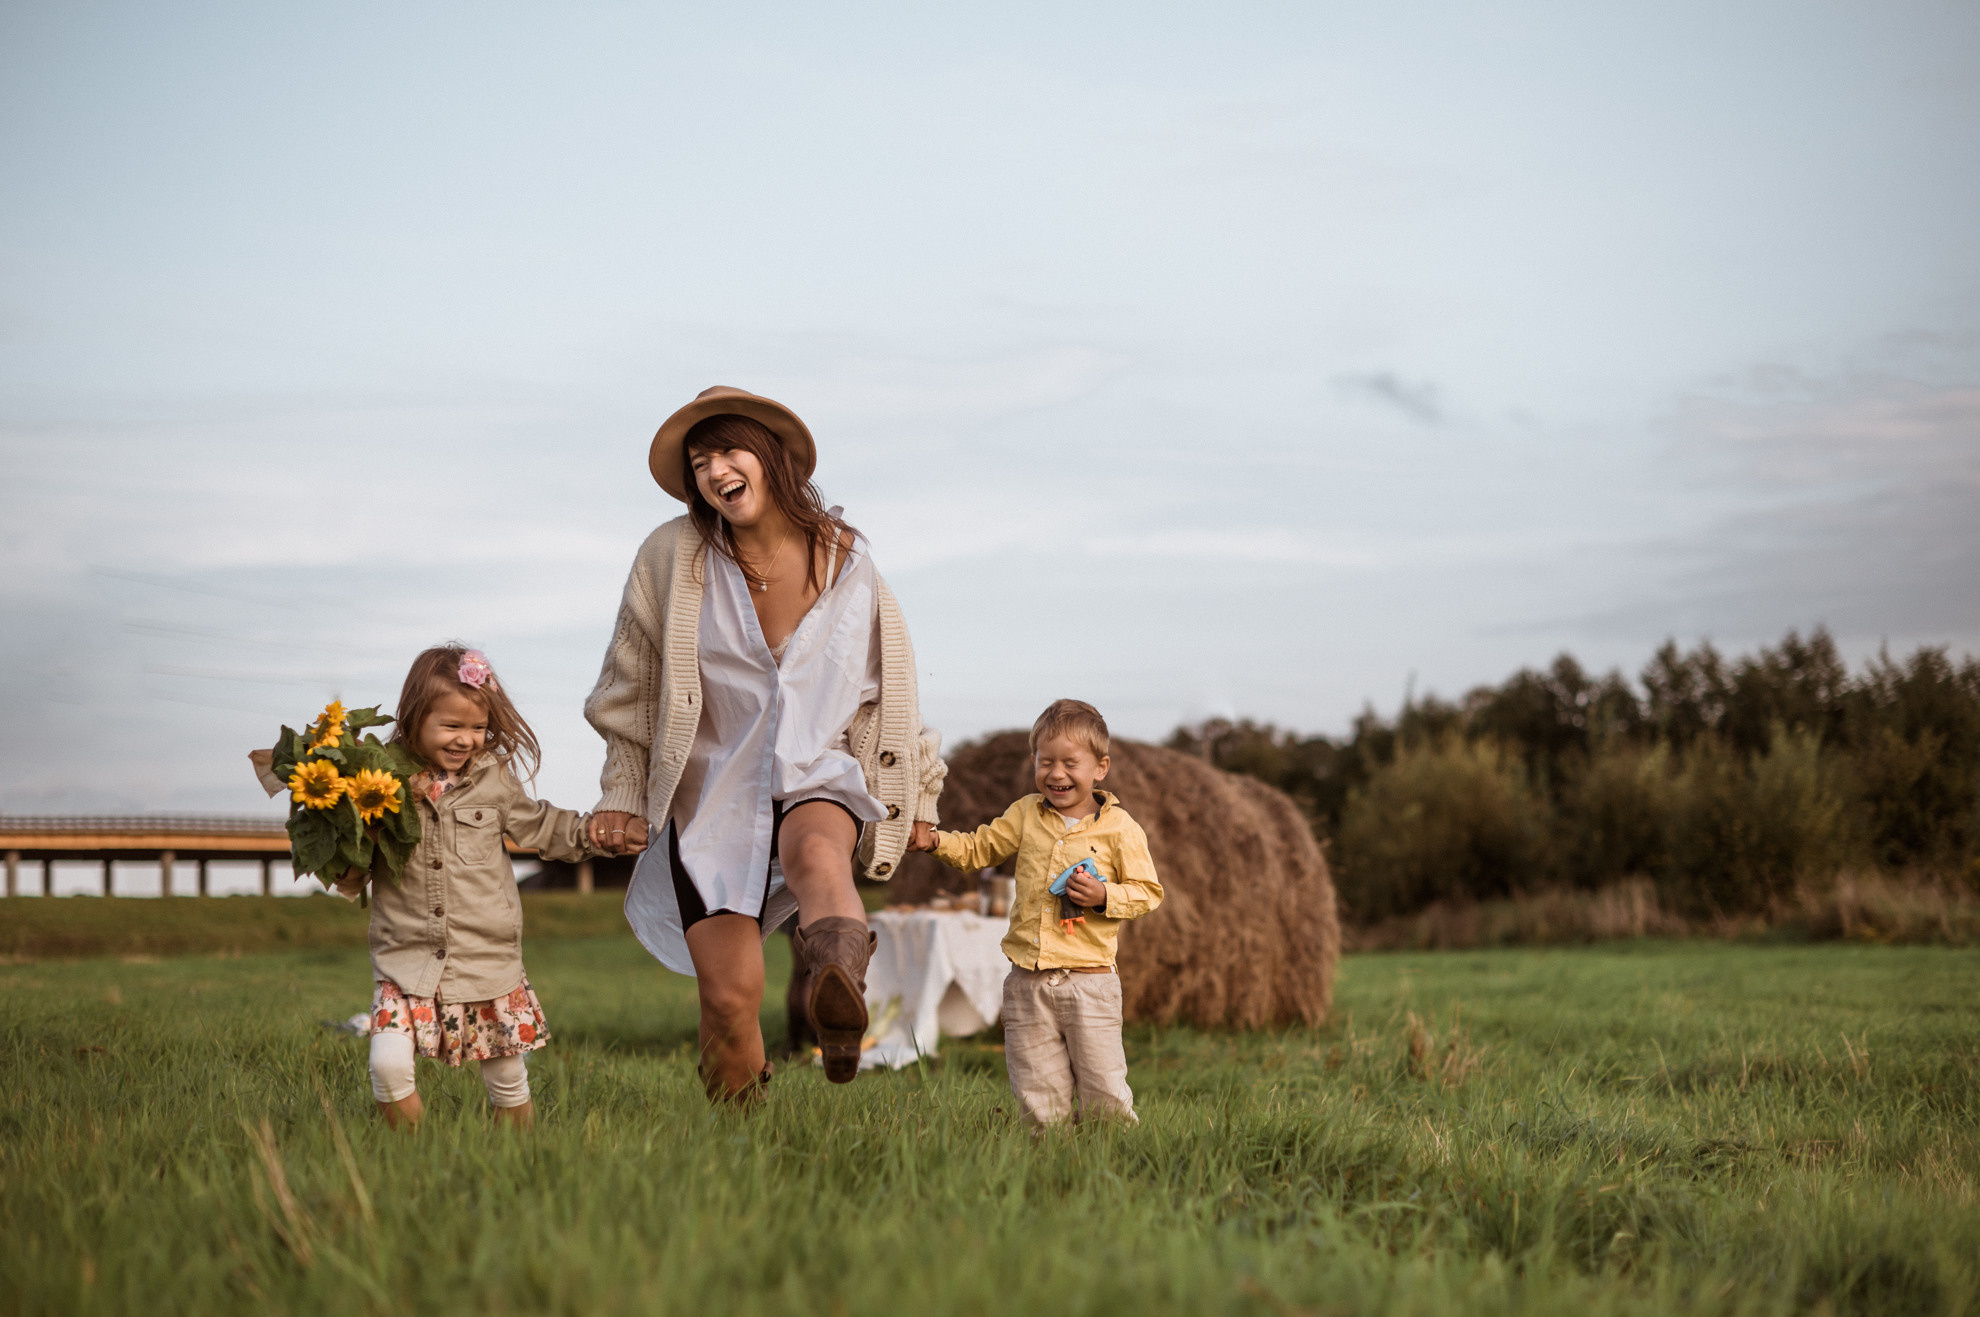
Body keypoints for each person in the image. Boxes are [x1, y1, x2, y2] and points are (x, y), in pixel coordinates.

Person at [584, 386, 946, 1102]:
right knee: (729, 998)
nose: (716, 470)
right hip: (709, 794)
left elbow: (893, 695)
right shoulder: (671, 558)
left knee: (817, 852)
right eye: (700, 462)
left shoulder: (851, 566)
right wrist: (622, 793)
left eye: (729, 450)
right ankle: (742, 1133)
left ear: (772, 457)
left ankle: (838, 996)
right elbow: (631, 683)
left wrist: (921, 793)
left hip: (818, 772)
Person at [360, 645, 611, 1130]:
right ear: (414, 718)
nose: (466, 740)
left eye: (476, 728)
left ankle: (519, 1166)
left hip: (486, 959)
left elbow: (541, 828)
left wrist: (599, 834)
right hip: (406, 959)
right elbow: (353, 869)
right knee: (387, 1067)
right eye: (451, 727)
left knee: (506, 1076)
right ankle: (412, 1166)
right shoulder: (380, 782)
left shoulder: (494, 781)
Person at [909, 699, 1162, 1127]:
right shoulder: (1025, 813)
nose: (1057, 773)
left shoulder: (1121, 828)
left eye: (1070, 763)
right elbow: (980, 848)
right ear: (1034, 762)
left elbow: (1147, 892)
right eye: (1046, 762)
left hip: (1091, 984)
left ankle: (1114, 1162)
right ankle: (1048, 1164)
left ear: (1100, 767)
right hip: (1027, 981)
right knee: (1037, 1091)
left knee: (1104, 1088)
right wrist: (936, 841)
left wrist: (1103, 895)